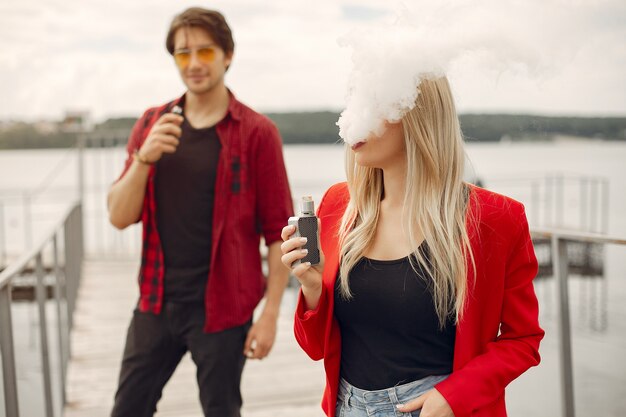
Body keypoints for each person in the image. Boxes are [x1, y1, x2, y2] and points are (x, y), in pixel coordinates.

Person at [280, 76, 544, 417]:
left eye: (374, 104)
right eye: (355, 102)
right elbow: (316, 347)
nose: (355, 116)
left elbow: (523, 339)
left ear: (417, 115)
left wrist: (454, 396)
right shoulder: (337, 205)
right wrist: (312, 288)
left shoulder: (496, 218)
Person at [107, 7, 293, 417]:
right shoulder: (152, 124)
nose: (193, 64)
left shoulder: (257, 132)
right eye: (182, 53)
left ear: (227, 55)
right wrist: (143, 158)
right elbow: (118, 216)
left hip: (224, 308)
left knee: (221, 410)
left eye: (205, 52)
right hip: (155, 302)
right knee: (127, 409)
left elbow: (279, 232)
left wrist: (270, 316)